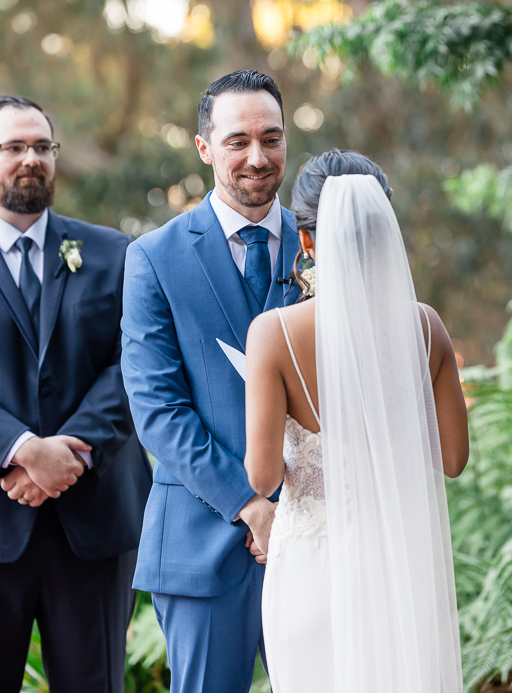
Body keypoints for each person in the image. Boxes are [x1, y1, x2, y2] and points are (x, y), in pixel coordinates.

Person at [245, 149, 469, 693]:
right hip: (398, 565)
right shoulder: (426, 326)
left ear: (307, 239)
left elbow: (263, 477)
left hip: (312, 571)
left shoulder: (273, 333)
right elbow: (454, 460)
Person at [121, 70, 301, 693]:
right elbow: (158, 410)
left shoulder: (325, 245)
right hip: (202, 543)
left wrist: (296, 510)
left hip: (320, 537)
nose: (258, 157)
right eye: (237, 141)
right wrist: (252, 506)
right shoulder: (154, 257)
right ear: (204, 147)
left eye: (272, 138)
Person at [0, 96, 152, 693]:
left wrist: (72, 451)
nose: (31, 159)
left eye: (42, 146)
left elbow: (135, 362)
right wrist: (19, 448)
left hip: (94, 522)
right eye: (14, 147)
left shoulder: (113, 252)